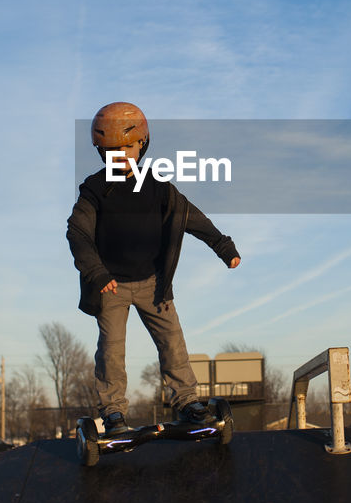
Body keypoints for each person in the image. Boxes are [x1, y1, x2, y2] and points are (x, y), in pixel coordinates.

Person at [66, 101, 241, 437]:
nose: (120, 156)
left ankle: (187, 401)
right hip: (110, 286)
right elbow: (78, 233)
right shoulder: (94, 190)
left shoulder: (158, 188)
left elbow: (192, 217)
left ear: (142, 145)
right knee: (112, 349)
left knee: (172, 342)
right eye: (111, 150)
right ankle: (113, 411)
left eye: (127, 148)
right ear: (101, 151)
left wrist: (223, 246)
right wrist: (97, 273)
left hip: (153, 284)